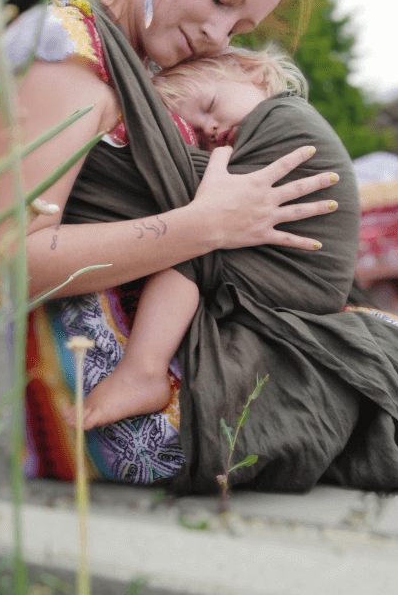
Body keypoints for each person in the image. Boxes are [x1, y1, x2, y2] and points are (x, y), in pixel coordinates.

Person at [0, 0, 398, 490]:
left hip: (157, 364)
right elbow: (3, 262)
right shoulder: (69, 54)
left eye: (239, 28)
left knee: (385, 355)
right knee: (378, 381)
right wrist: (204, 225)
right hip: (104, 399)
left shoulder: (143, 71)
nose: (219, 34)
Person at [64, 44, 310, 430]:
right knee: (188, 233)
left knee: (189, 241)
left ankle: (144, 370)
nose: (210, 129)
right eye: (196, 132)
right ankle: (145, 371)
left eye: (210, 104)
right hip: (237, 288)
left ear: (251, 73)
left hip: (283, 276)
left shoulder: (288, 129)